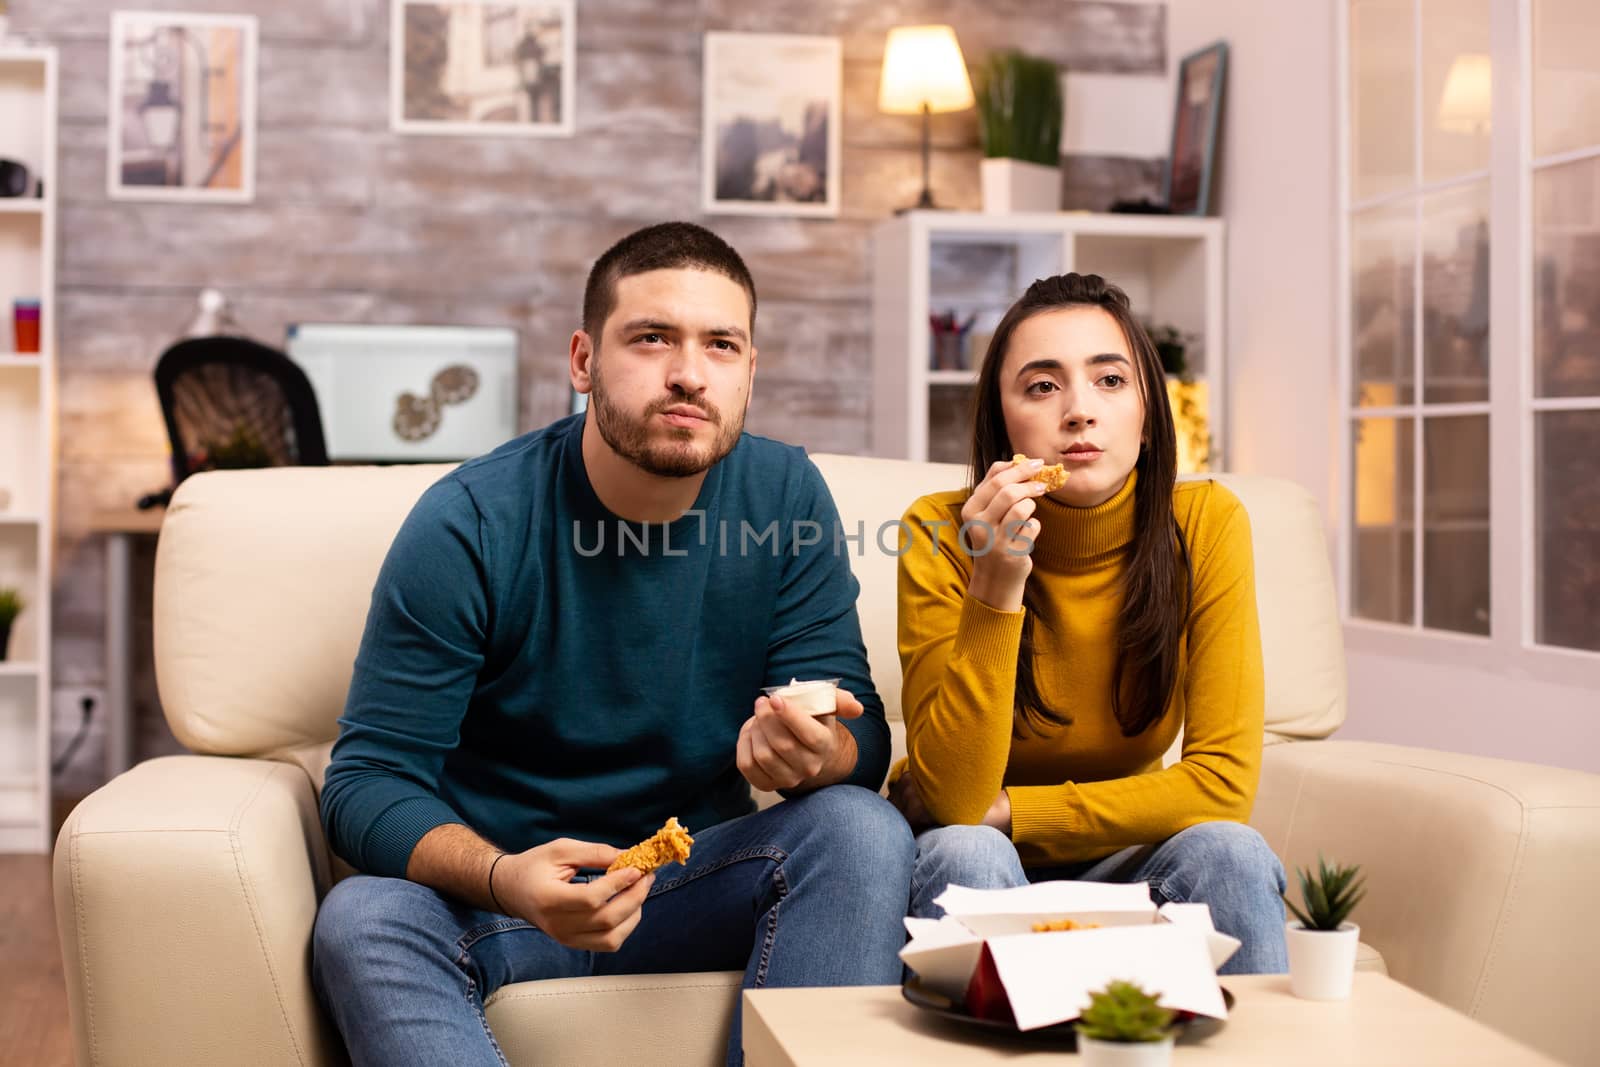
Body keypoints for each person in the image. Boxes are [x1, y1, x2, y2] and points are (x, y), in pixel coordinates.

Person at [313, 222, 915, 1066]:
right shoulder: (473, 521)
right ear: (584, 361)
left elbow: (864, 739)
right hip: (506, 900)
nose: (689, 373)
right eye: (652, 337)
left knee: (859, 827)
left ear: (750, 369)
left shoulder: (786, 494)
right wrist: (503, 876)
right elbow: (364, 783)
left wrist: (813, 753)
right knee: (363, 917)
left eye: (721, 344)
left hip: (691, 882)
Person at [890, 272, 1287, 974]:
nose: (1079, 411)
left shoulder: (1207, 523)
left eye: (1109, 380)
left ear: (1146, 409)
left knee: (1232, 849)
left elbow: (1222, 784)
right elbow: (954, 802)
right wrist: (998, 582)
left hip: (1128, 858)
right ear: (1002, 420)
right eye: (1043, 386)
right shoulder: (938, 529)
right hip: (984, 856)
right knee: (967, 849)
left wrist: (1014, 809)